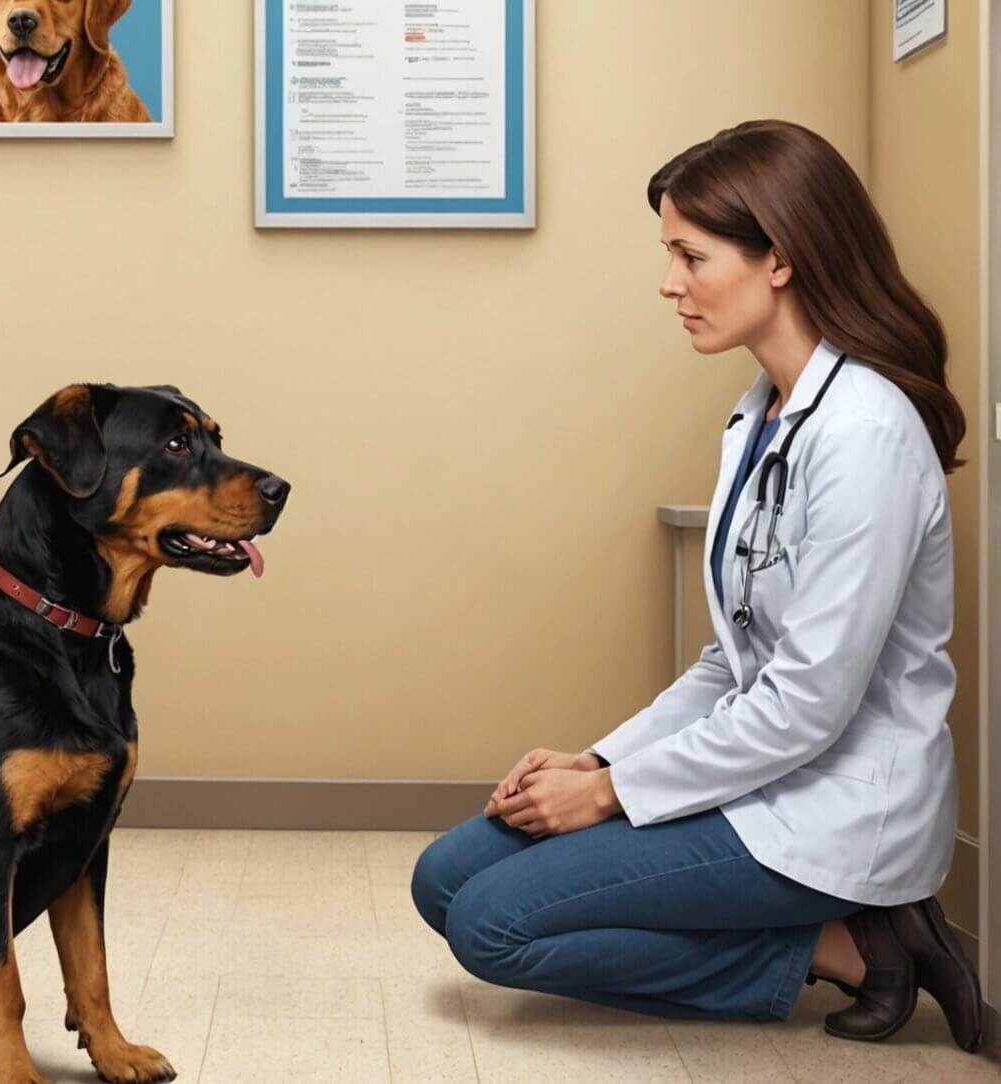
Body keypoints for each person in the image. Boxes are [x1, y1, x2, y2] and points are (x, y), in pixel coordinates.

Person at [409, 120, 984, 1054]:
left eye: (690, 255)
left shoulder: (865, 437)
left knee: (492, 927)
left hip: (833, 808)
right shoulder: (764, 414)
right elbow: (734, 661)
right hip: (757, 776)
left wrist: (611, 797)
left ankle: (849, 942)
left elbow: (804, 709)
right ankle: (855, 943)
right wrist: (599, 763)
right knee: (445, 878)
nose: (668, 283)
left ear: (781, 261)